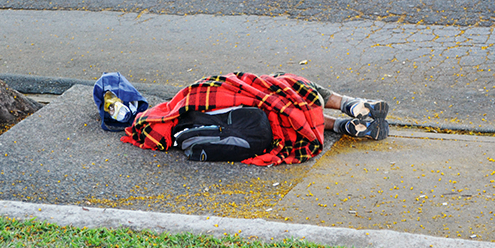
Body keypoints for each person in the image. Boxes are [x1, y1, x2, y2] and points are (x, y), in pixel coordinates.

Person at [121, 72, 390, 166]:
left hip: (263, 123)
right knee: (286, 84)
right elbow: (231, 82)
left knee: (286, 109)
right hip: (243, 107)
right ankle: (350, 105)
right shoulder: (184, 99)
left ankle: (341, 124)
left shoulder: (162, 125)